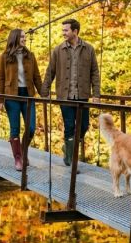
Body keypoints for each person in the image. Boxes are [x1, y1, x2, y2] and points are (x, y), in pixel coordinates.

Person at [42, 19, 100, 167]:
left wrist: (96, 94)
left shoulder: (89, 49)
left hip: (82, 95)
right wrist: (45, 91)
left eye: (66, 30)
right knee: (69, 126)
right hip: (65, 95)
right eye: (63, 30)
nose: (63, 33)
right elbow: (50, 71)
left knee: (84, 126)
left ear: (75, 31)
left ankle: (68, 149)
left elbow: (94, 72)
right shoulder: (58, 50)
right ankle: (71, 160)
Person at [0, 29, 43, 171]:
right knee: (15, 129)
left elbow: (36, 76)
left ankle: (23, 152)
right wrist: (0, 100)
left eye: (25, 37)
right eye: (22, 37)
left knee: (30, 128)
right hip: (11, 96)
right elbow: (1, 78)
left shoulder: (30, 55)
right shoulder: (4, 57)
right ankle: (18, 158)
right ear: (15, 38)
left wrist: (44, 94)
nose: (25, 39)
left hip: (28, 95)